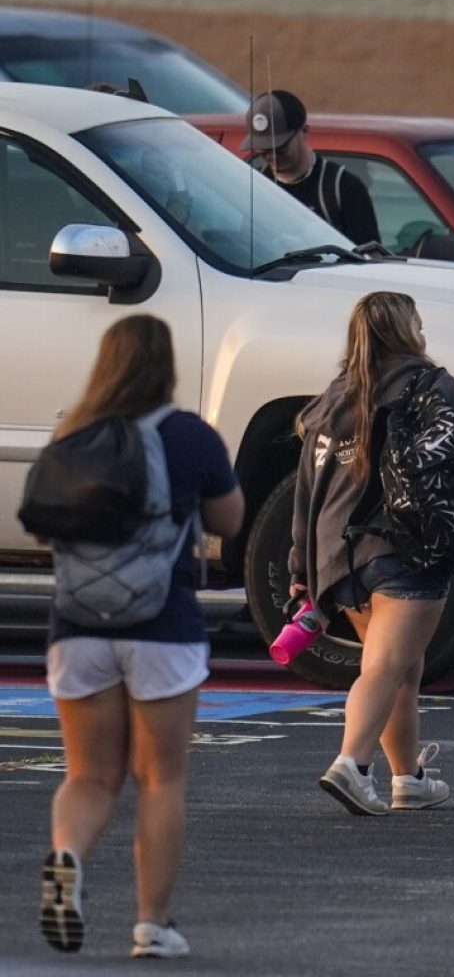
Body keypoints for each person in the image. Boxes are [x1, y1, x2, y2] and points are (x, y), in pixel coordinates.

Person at [37, 315, 244, 957]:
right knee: (161, 779)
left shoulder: (71, 433)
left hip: (76, 627)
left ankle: (67, 856)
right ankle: (153, 925)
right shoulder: (190, 436)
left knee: (89, 776)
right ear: (167, 366)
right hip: (163, 628)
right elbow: (230, 519)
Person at [289, 290, 454, 816]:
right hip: (407, 545)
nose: (425, 335)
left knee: (403, 666)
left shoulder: (334, 398)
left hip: (338, 558)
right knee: (384, 666)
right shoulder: (432, 388)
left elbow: (306, 491)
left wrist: (300, 568)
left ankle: (409, 778)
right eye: (419, 325)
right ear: (407, 333)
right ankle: (351, 766)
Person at [242, 89, 381, 246]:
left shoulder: (343, 188)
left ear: (305, 131)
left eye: (280, 149)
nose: (272, 157)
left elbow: (372, 259)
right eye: (264, 151)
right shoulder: (257, 187)